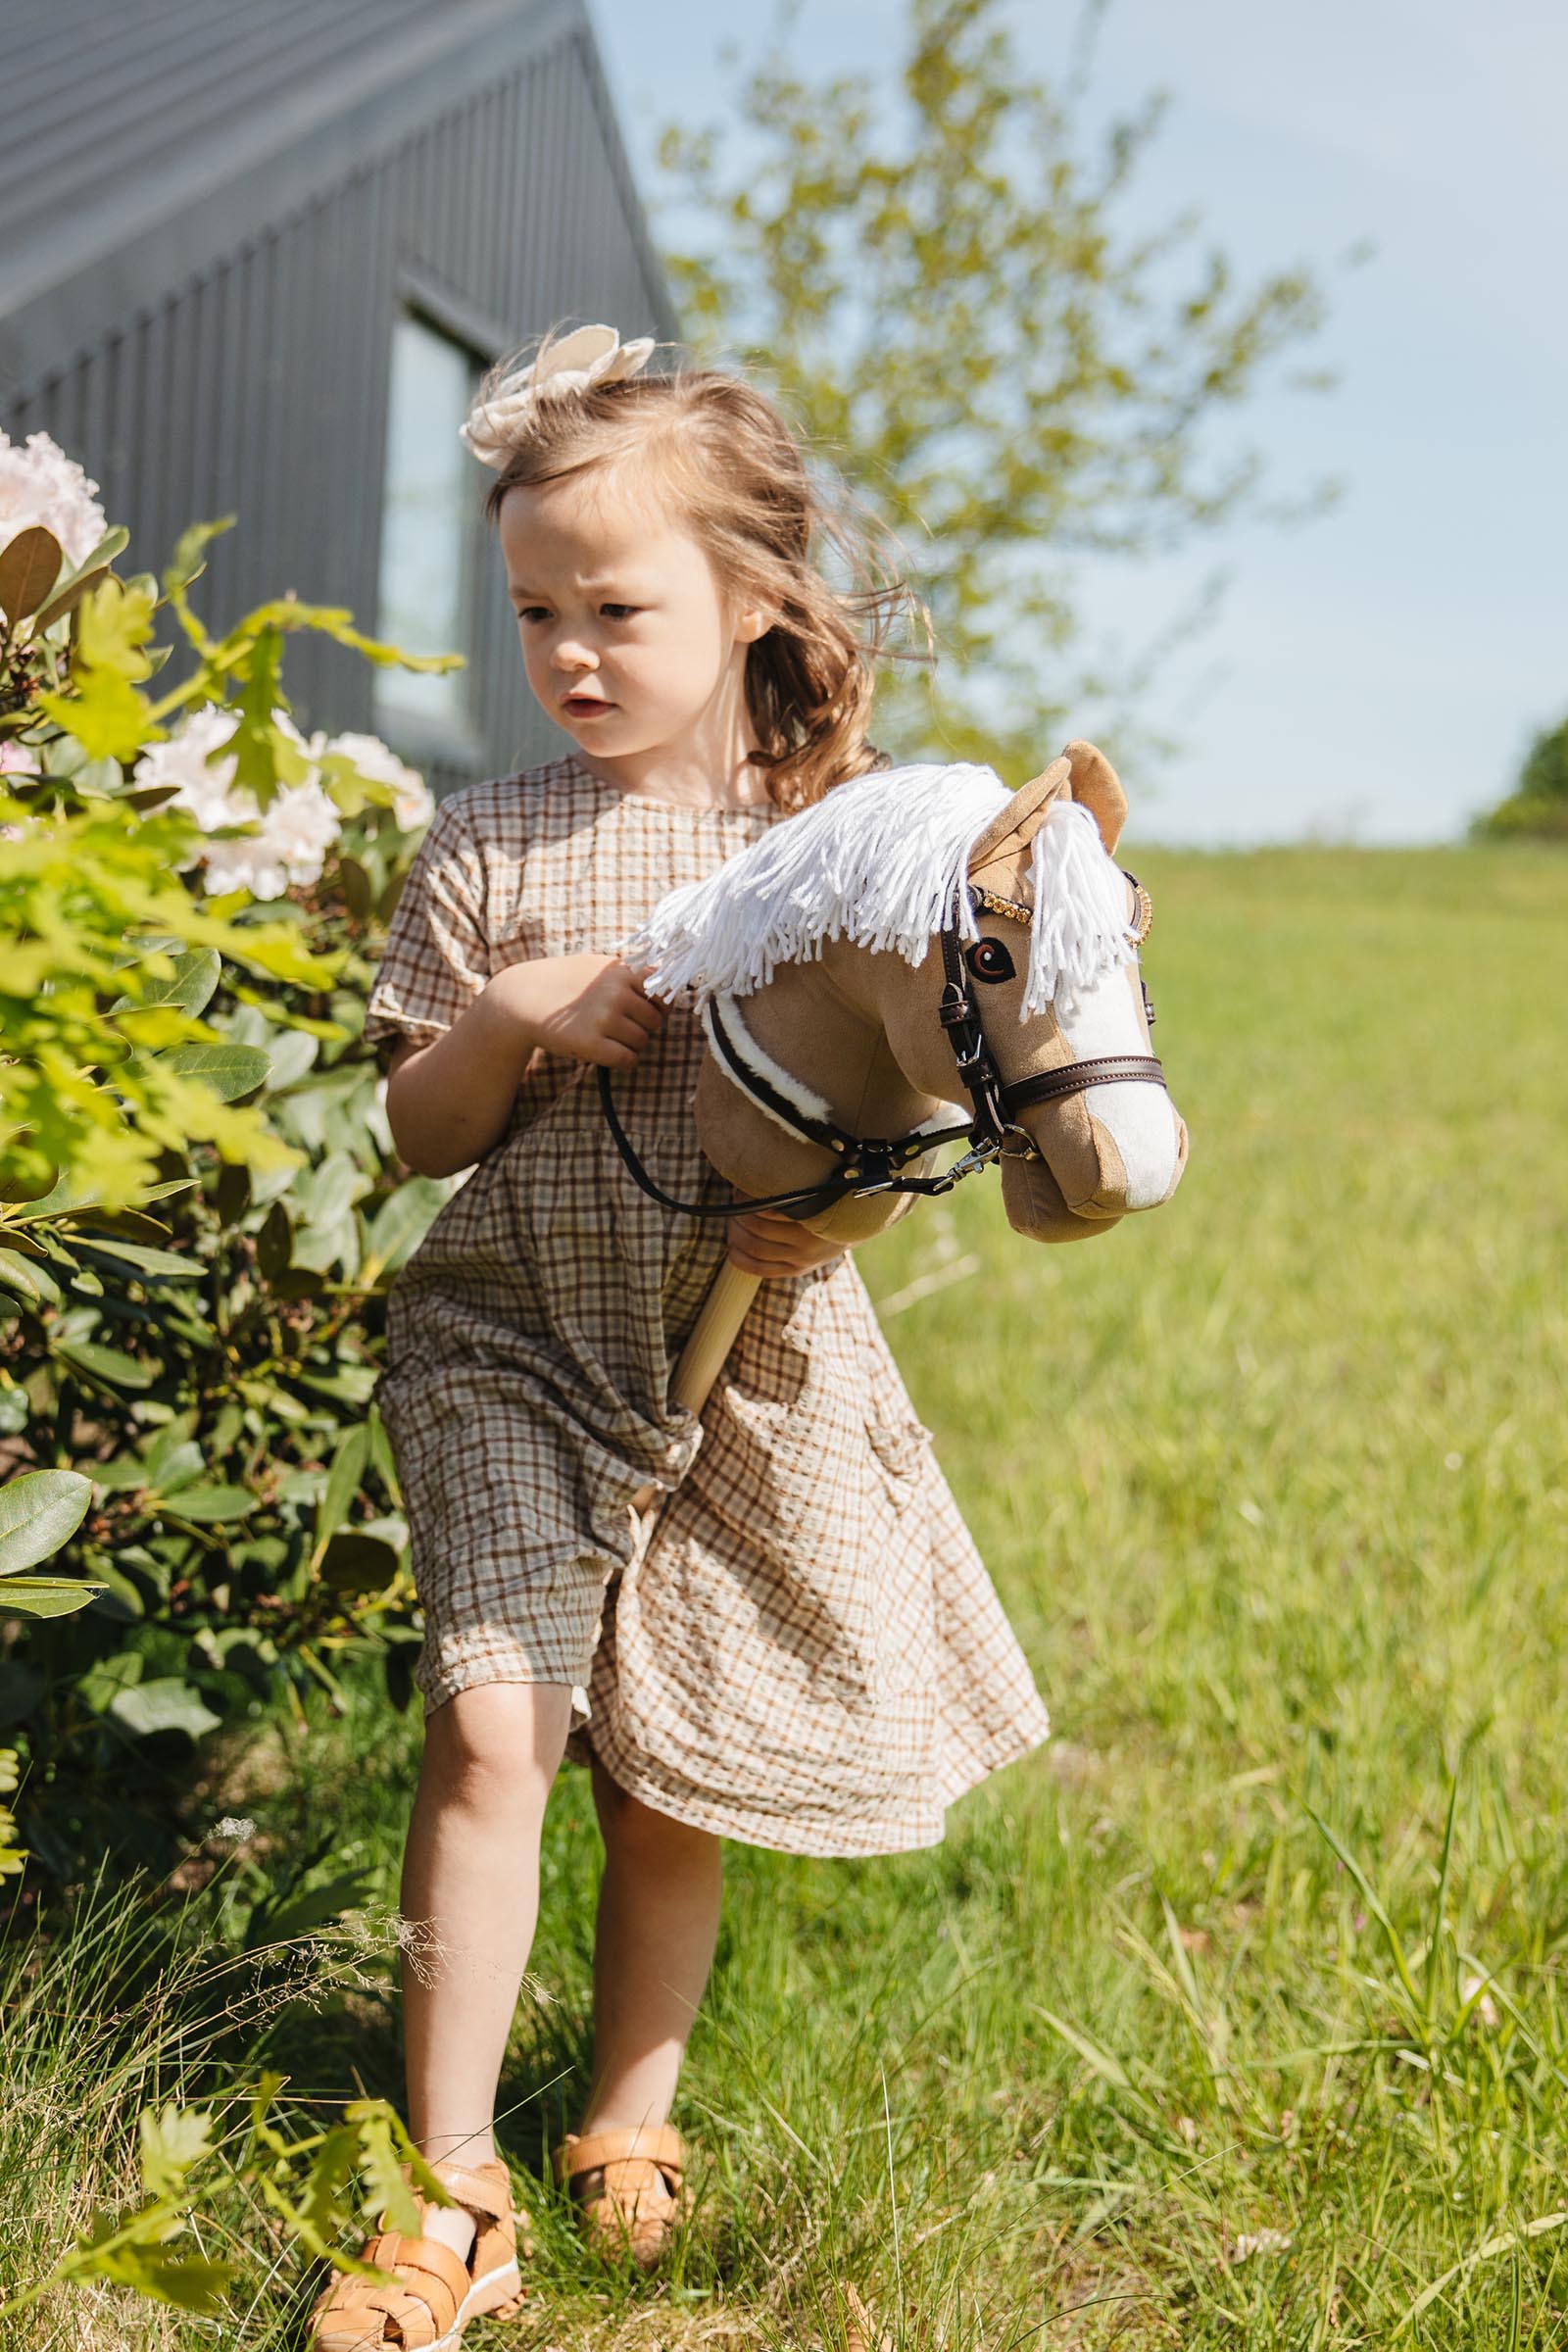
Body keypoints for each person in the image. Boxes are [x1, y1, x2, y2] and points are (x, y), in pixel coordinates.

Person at [306, 322, 1051, 2347]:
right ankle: (445, 2172)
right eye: (532, 610)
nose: (566, 648)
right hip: (514, 1344)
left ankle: (623, 2121)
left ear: (750, 606)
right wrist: (504, 1019)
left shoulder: (837, 842)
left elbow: (916, 1102)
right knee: (491, 1732)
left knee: (670, 1777)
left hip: (747, 1358)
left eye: (615, 607)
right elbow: (415, 1128)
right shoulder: (487, 847)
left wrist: (829, 1220)